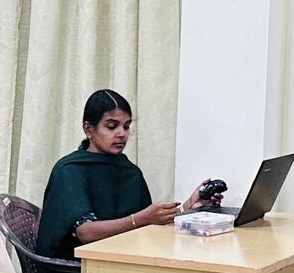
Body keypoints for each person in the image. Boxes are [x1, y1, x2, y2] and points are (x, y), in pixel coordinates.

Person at [34, 89, 214, 258]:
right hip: (76, 265)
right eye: (112, 126)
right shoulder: (70, 170)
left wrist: (189, 207)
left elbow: (148, 225)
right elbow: (86, 233)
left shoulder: (129, 171)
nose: (122, 134)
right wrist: (139, 219)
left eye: (126, 126)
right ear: (89, 129)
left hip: (123, 258)